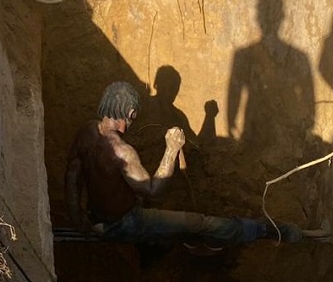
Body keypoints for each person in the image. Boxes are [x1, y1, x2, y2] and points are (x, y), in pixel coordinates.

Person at [65, 81, 306, 248]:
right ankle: (265, 230)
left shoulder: (86, 132)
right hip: (124, 224)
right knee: (199, 223)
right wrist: (170, 150)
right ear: (129, 112)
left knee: (140, 196)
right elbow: (155, 191)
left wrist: (79, 220)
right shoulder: (123, 152)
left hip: (97, 217)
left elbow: (72, 176)